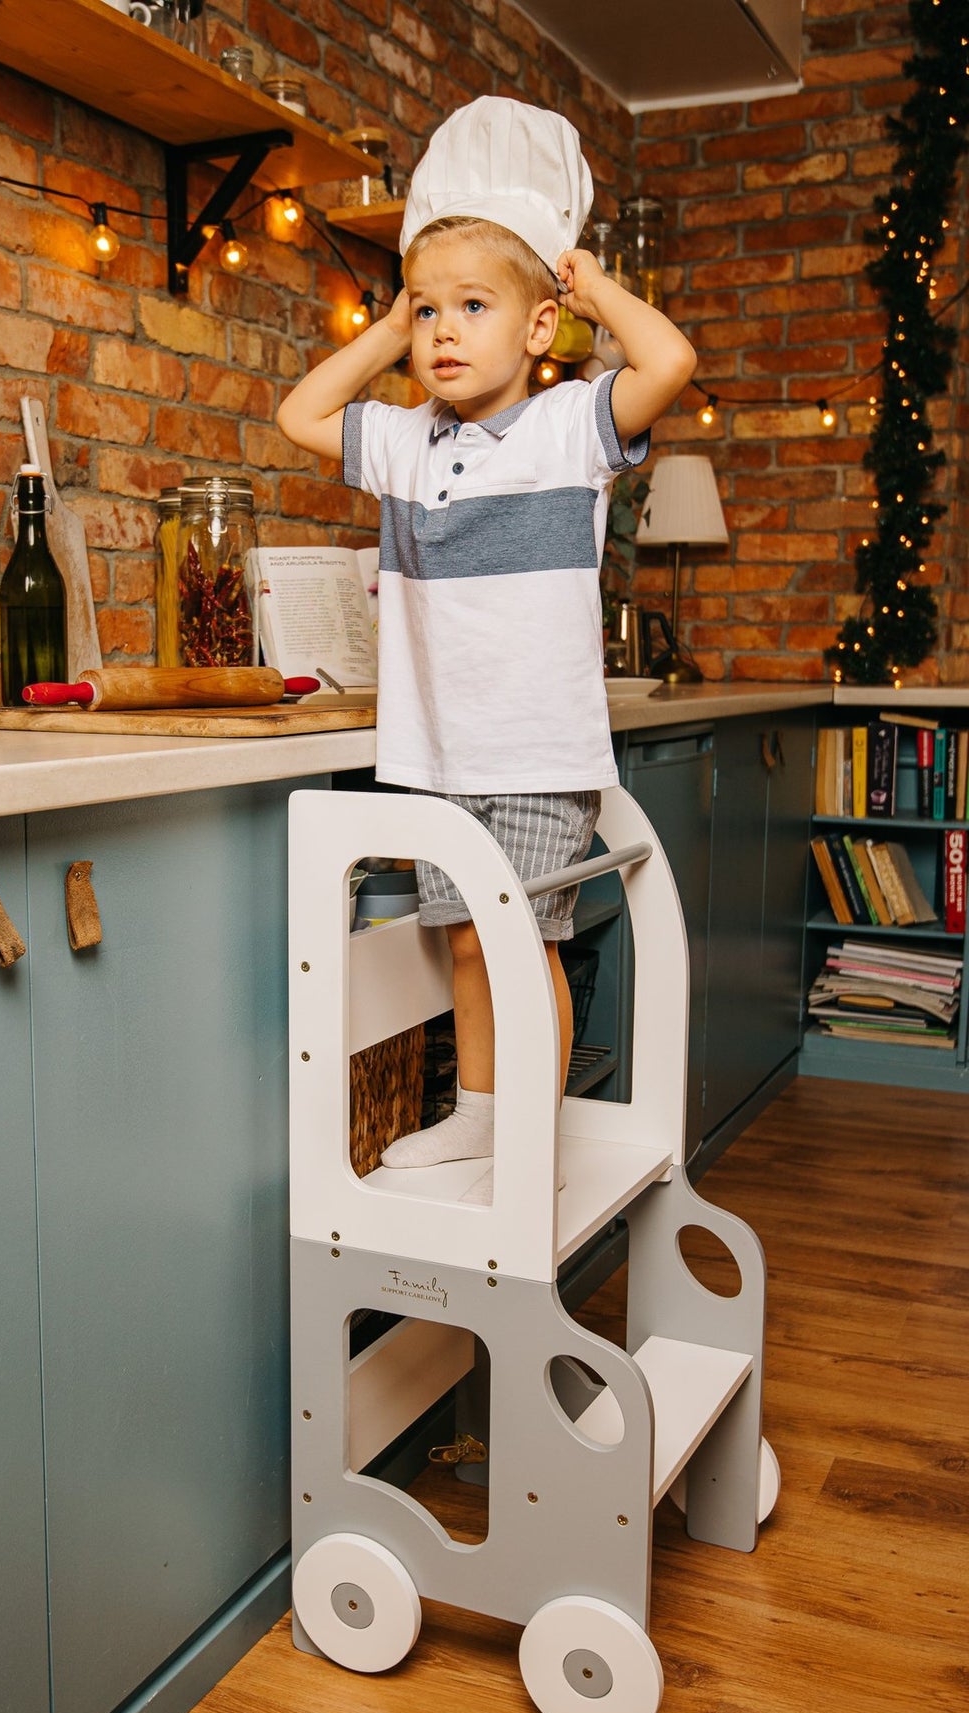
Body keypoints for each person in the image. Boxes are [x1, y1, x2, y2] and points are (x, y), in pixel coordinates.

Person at [277, 98, 696, 1196]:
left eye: (473, 306)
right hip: (437, 756)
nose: (446, 333)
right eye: (431, 314)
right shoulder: (408, 443)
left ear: (538, 327)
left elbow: (671, 357)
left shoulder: (572, 431)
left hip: (533, 751)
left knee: (528, 952)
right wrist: (392, 317)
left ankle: (534, 1142)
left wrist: (589, 284)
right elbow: (299, 414)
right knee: (465, 943)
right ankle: (477, 1117)